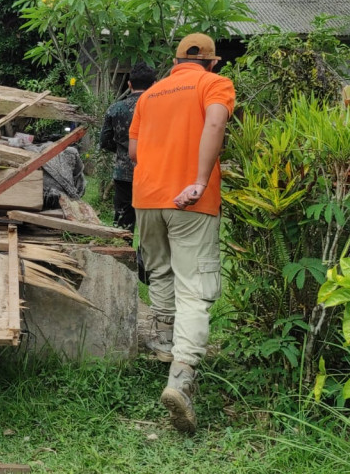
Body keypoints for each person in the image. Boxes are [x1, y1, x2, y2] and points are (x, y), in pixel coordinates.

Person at [128, 33, 234, 434]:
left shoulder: (149, 95)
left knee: (161, 273)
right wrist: (200, 179)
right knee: (194, 285)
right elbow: (216, 121)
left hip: (148, 198)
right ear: (212, 62)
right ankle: (181, 378)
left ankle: (163, 346)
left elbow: (135, 152)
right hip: (191, 200)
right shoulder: (214, 84)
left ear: (175, 61)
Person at [100, 62, 156, 231]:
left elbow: (105, 141)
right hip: (153, 172)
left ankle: (122, 254)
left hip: (123, 172)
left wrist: (122, 151)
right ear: (154, 84)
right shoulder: (159, 108)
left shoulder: (115, 108)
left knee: (123, 222)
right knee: (152, 224)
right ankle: (145, 257)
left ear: (129, 84)